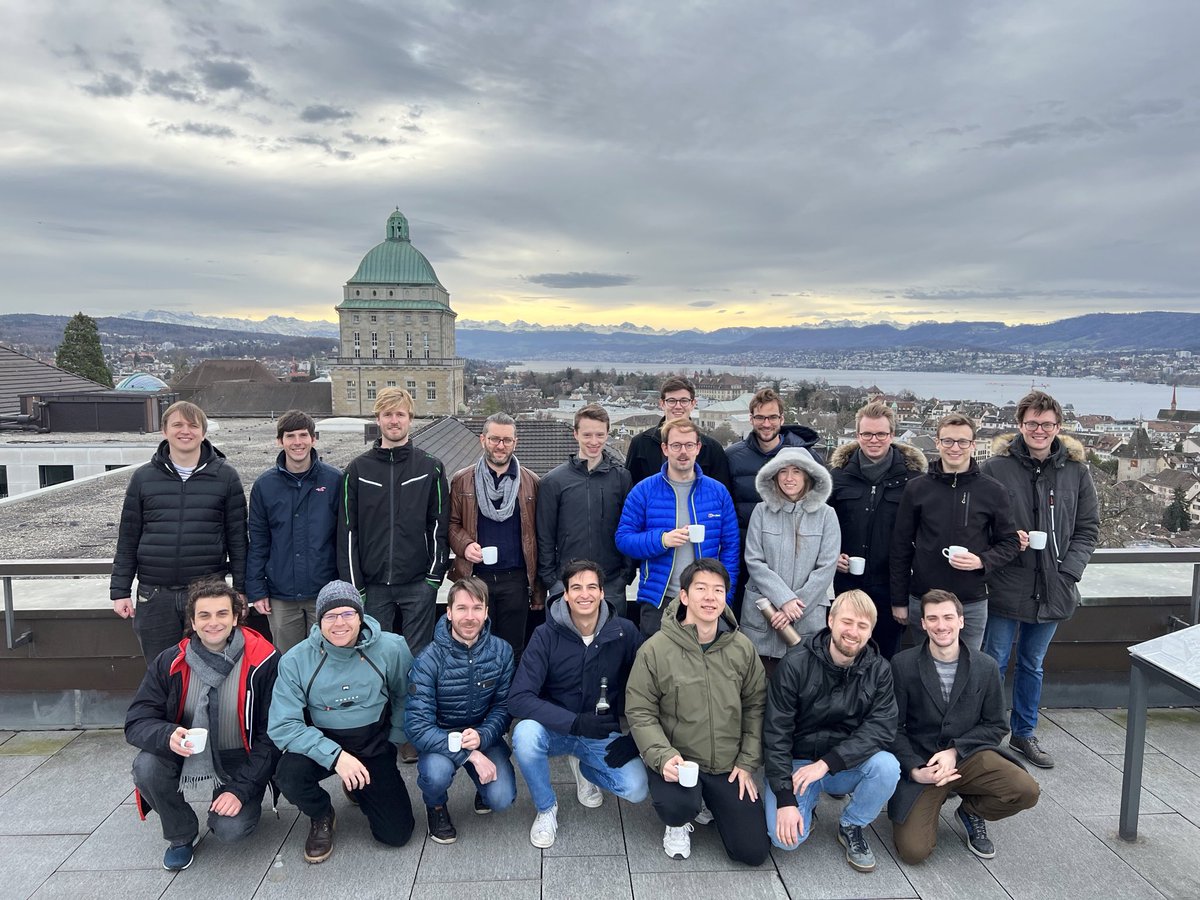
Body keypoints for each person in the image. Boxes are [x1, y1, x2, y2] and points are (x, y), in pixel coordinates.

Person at [125, 579, 279, 872]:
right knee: (146, 767)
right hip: (184, 749)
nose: (213, 623)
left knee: (230, 830)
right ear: (193, 622)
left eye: (222, 614)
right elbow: (136, 720)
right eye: (204, 616)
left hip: (241, 755)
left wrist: (241, 790)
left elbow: (273, 735)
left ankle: (230, 798)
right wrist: (166, 734)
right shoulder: (170, 661)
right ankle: (181, 833)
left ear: (236, 617)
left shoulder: (264, 661)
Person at [981, 390, 1100, 769]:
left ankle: (1024, 733)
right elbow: (977, 525)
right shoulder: (994, 470)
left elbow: (1087, 528)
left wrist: (1069, 571)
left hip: (1053, 585)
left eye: (1046, 424)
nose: (1039, 430)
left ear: (1058, 428)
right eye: (1032, 423)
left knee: (1033, 663)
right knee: (994, 661)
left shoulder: (1076, 472)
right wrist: (1004, 543)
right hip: (1006, 582)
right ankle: (986, 737)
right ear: (1020, 425)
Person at [625, 559, 769, 865]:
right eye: (701, 588)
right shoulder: (656, 649)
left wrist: (747, 762)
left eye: (718, 590)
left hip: (727, 765)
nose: (710, 597)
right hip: (681, 760)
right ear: (685, 596)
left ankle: (710, 801)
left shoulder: (742, 648)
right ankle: (679, 822)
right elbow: (640, 710)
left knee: (753, 852)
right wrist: (662, 756)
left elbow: (756, 706)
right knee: (677, 806)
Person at [268, 580, 416, 863]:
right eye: (330, 615)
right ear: (319, 620)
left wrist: (394, 738)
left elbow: (404, 696)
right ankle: (322, 812)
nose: (339, 623)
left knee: (396, 835)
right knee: (288, 773)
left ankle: (357, 784)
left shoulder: (392, 648)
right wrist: (336, 758)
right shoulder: (296, 660)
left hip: (373, 741)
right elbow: (283, 725)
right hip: (322, 742)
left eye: (348, 613)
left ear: (361, 617)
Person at [889, 590, 1040, 863]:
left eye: (948, 617)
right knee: (914, 852)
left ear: (961, 621)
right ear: (922, 623)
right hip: (924, 764)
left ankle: (972, 811)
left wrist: (955, 751)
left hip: (968, 757)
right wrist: (914, 769)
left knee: (1026, 791)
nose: (941, 625)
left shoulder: (986, 666)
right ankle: (928, 800)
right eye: (932, 618)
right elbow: (893, 728)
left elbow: (995, 725)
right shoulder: (902, 665)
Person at [509, 559, 649, 849]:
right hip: (554, 729)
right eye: (576, 588)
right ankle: (546, 808)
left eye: (591, 587)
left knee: (636, 788)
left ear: (601, 593)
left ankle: (586, 769)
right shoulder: (545, 635)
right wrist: (572, 722)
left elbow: (651, 686)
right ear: (566, 595)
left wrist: (636, 738)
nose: (584, 594)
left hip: (598, 732)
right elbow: (519, 698)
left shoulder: (624, 632)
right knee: (524, 735)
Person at [762, 589, 900, 873]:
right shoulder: (796, 663)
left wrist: (827, 764)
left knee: (887, 766)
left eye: (862, 626)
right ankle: (806, 806)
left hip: (841, 765)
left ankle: (852, 824)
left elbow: (881, 728)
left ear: (870, 631)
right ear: (831, 620)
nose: (853, 632)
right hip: (798, 765)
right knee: (784, 841)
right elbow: (776, 732)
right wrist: (785, 799)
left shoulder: (879, 670)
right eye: (847, 622)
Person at [111, 400, 248, 664]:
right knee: (162, 672)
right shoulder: (143, 478)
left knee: (209, 669)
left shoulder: (225, 477)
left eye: (192, 425)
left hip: (208, 596)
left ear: (203, 433)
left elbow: (238, 539)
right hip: (154, 596)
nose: (185, 431)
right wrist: (120, 590)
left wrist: (241, 588)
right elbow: (128, 538)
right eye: (177, 425)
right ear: (164, 431)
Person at [337, 385, 448, 674]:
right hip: (372, 587)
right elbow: (348, 532)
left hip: (417, 584)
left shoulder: (430, 467)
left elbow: (438, 525)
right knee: (374, 660)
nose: (394, 421)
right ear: (378, 419)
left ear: (410, 418)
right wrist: (354, 586)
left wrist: (433, 579)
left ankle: (414, 718)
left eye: (400, 414)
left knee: (418, 661)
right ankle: (382, 718)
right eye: (388, 414)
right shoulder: (357, 470)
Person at [890, 412, 1020, 652]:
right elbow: (900, 547)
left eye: (962, 442)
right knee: (925, 670)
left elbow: (1010, 542)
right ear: (937, 442)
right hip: (923, 599)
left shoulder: (992, 491)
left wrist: (982, 560)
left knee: (968, 673)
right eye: (948, 441)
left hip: (970, 602)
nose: (955, 447)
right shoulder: (917, 488)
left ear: (973, 445)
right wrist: (899, 600)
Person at [404, 577, 517, 844]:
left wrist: (484, 736)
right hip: (441, 738)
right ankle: (436, 807)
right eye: (462, 608)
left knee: (501, 798)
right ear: (449, 612)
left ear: (487, 612)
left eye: (477, 608)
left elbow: (504, 707)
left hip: (482, 734)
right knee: (435, 775)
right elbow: (416, 725)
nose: (469, 616)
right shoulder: (428, 659)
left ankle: (483, 787)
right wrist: (470, 755)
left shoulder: (502, 652)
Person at [616, 417, 740, 637]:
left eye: (689, 445)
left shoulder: (718, 492)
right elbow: (624, 539)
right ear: (665, 448)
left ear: (698, 448)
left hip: (705, 601)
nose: (683, 451)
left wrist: (724, 597)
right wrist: (661, 540)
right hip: (659, 600)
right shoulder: (644, 491)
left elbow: (731, 549)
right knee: (657, 667)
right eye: (676, 445)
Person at [827, 401, 927, 659]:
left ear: (892, 435)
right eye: (867, 434)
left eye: (881, 434)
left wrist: (902, 597)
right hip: (845, 585)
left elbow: (924, 534)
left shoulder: (913, 481)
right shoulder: (837, 477)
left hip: (890, 587)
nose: (874, 440)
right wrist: (832, 555)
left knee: (885, 658)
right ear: (857, 435)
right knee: (843, 654)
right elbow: (821, 526)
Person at [245, 409, 341, 653]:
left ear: (313, 439)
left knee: (328, 657)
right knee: (287, 661)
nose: (297, 442)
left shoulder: (334, 481)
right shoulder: (265, 486)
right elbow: (258, 541)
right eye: (290, 436)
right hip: (281, 595)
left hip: (325, 591)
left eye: (302, 435)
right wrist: (256, 590)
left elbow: (346, 537)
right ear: (280, 441)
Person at [449, 413, 542, 659]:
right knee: (475, 649)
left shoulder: (532, 482)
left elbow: (540, 536)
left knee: (513, 650)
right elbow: (451, 524)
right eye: (494, 439)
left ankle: (510, 698)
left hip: (516, 581)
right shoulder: (462, 480)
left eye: (506, 440)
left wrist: (539, 589)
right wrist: (465, 545)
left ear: (515, 442)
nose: (500, 446)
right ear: (483, 440)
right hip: (476, 579)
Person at [741, 447, 840, 677]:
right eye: (782, 471)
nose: (789, 478)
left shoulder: (827, 515)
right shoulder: (761, 511)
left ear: (808, 475)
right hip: (763, 621)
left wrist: (794, 607)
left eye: (796, 471)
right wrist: (783, 600)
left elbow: (826, 568)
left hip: (805, 620)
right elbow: (754, 560)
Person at [725, 388, 821, 615]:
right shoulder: (732, 457)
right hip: (745, 555)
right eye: (760, 417)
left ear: (782, 419)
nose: (766, 424)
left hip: (792, 558)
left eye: (772, 417)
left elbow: (820, 505)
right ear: (751, 419)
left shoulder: (805, 456)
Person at [536, 403, 634, 614]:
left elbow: (630, 527)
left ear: (608, 434)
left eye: (600, 435)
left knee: (612, 644)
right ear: (575, 434)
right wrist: (551, 580)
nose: (594, 441)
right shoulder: (553, 481)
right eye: (587, 434)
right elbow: (544, 535)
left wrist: (625, 576)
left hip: (611, 584)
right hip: (565, 584)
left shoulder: (622, 478)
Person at [625, 376, 731, 492]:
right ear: (662, 404)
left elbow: (722, 495)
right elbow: (630, 491)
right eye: (672, 401)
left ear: (693, 403)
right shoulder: (640, 443)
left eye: (684, 401)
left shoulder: (712, 449)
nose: (678, 406)